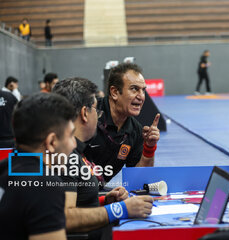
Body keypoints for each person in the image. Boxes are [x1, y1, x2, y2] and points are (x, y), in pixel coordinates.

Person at [53, 77, 153, 239]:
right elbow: (63, 218)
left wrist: (103, 201)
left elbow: (75, 202)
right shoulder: (64, 157)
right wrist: (120, 209)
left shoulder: (74, 152)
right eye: (96, 111)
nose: (98, 116)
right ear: (85, 113)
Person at [0, 92, 77, 240]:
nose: (74, 144)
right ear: (52, 142)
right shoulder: (45, 186)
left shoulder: (5, 168)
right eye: (71, 135)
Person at [84, 63, 160, 182]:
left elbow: (138, 180)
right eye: (134, 89)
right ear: (114, 92)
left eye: (143, 90)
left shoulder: (136, 131)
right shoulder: (87, 114)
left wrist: (149, 148)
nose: (141, 96)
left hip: (97, 195)